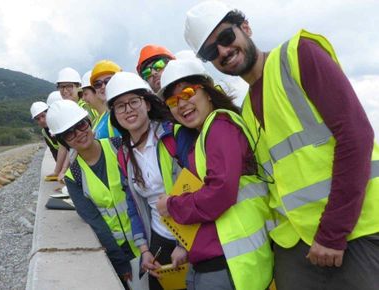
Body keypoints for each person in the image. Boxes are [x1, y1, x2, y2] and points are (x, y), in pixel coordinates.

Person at [184, 1, 379, 289]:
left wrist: (332, 232)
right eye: (212, 52)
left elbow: (356, 137)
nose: (224, 52)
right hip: (295, 243)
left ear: (245, 28)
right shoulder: (248, 109)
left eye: (226, 37)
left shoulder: (298, 55)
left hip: (353, 231)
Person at [155, 59, 273, 290]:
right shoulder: (204, 134)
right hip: (216, 262)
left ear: (207, 92)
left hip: (229, 265)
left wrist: (172, 206)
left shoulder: (220, 126)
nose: (182, 104)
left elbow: (220, 193)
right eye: (172, 100)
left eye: (188, 92)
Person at [46, 99, 145, 289]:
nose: (79, 134)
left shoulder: (119, 146)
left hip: (148, 239)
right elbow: (95, 221)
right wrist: (119, 261)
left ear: (88, 122)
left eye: (81, 125)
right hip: (121, 251)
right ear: (63, 141)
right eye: (69, 133)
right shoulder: (73, 176)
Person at [106, 72, 187, 290]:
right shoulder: (123, 154)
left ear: (148, 104)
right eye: (120, 106)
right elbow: (133, 205)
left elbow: (194, 188)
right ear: (114, 114)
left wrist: (185, 243)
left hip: (190, 236)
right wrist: (144, 250)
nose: (128, 109)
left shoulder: (173, 136)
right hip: (159, 239)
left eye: (134, 101)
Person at [89, 60, 122, 139]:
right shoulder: (104, 116)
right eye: (98, 84)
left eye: (108, 81)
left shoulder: (124, 114)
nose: (103, 86)